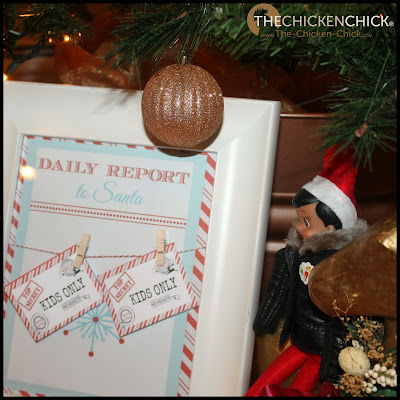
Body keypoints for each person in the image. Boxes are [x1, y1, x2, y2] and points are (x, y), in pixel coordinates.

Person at [246, 144, 368, 397]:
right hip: (300, 339)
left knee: (300, 388)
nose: (300, 227)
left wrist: (334, 369)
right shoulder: (296, 253)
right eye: (299, 219)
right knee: (266, 380)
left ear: (331, 227)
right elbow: (279, 289)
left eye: (307, 221)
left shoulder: (341, 265)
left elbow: (344, 316)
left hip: (323, 350)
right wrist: (265, 320)